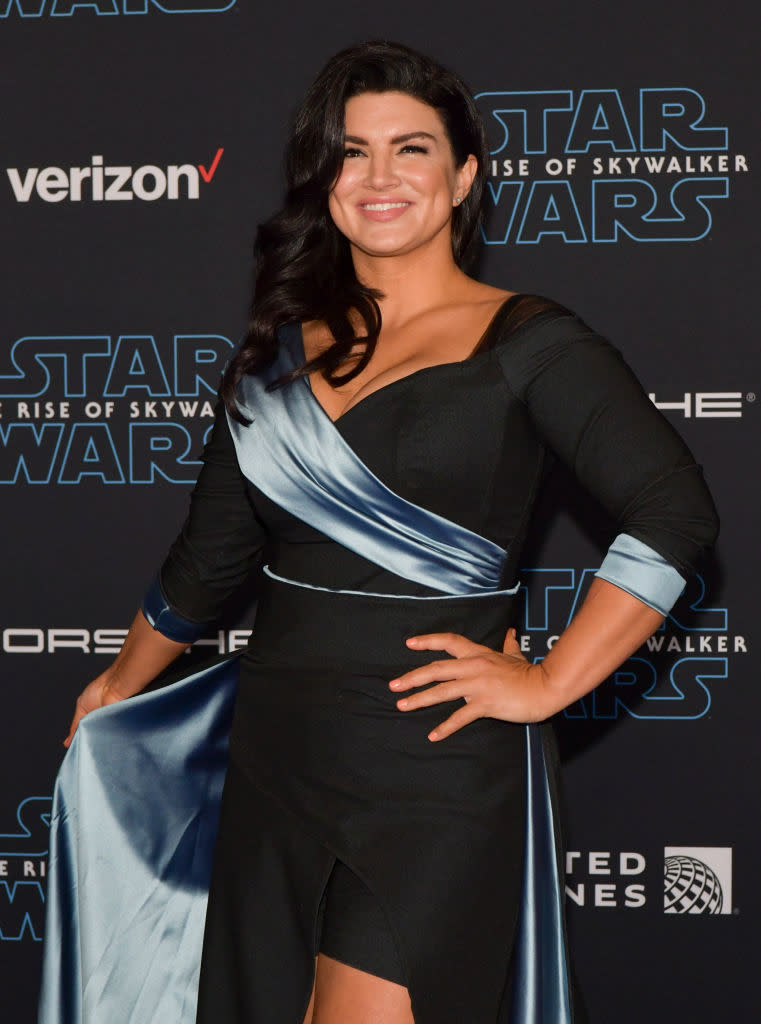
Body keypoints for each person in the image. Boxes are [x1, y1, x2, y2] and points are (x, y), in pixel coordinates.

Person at [41, 40, 718, 1024]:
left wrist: (549, 680)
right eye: (351, 152)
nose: (379, 177)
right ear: (323, 180)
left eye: (411, 148)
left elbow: (674, 512)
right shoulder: (278, 352)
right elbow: (212, 555)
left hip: (432, 764)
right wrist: (117, 681)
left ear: (463, 175)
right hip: (277, 754)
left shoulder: (529, 342)